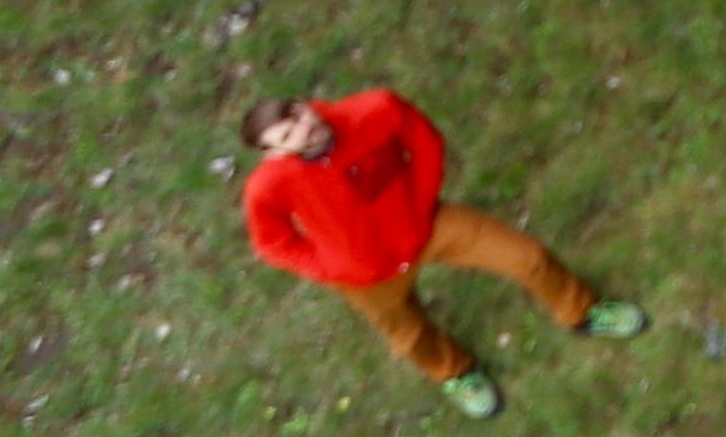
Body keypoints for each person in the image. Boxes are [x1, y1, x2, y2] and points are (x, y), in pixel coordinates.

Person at [236, 86, 643, 419]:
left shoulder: (376, 109)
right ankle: (456, 373)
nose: (304, 132)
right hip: (364, 272)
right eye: (287, 137)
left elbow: (426, 144)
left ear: (307, 105)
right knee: (408, 336)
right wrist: (329, 266)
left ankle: (583, 312)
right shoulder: (268, 186)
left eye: (300, 118)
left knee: (529, 259)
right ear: (272, 154)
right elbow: (271, 243)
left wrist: (421, 203)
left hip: (427, 228)